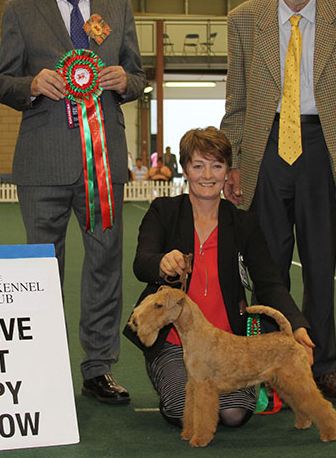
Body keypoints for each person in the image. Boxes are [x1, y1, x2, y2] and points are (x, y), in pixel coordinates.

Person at [0, 0, 145, 404]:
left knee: (104, 262)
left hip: (102, 163)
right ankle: (42, 361)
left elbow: (140, 76)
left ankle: (98, 367)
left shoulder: (117, 7)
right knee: (40, 265)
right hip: (42, 163)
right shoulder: (19, 9)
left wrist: (127, 82)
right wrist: (31, 84)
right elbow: (1, 82)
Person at [220, 0, 336, 404]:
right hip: (266, 147)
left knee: (320, 266)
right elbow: (236, 99)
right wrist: (236, 160)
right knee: (267, 266)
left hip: (325, 147)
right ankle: (265, 373)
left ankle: (322, 370)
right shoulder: (244, 20)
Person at [124, 127, 313, 428]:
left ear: (228, 171)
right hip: (174, 343)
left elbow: (269, 282)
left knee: (233, 414)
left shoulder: (243, 222)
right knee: (180, 408)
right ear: (185, 169)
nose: (207, 175)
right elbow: (141, 262)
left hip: (228, 346)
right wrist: (161, 262)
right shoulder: (164, 211)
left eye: (216, 165)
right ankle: (170, 376)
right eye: (198, 166)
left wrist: (298, 326)